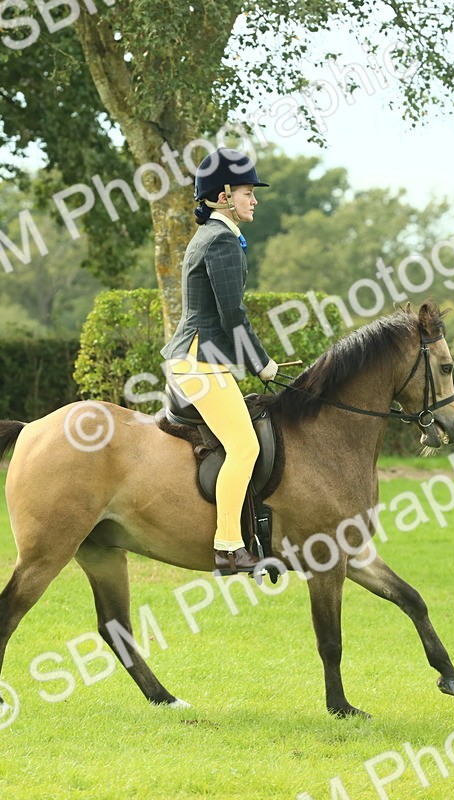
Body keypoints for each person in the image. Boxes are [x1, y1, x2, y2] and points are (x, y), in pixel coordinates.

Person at [161, 147, 278, 573]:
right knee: (244, 446)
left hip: (203, 359)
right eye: (248, 192)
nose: (254, 199)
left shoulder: (213, 237)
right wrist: (262, 363)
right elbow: (233, 315)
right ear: (222, 196)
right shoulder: (222, 240)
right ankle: (229, 547)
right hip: (200, 361)